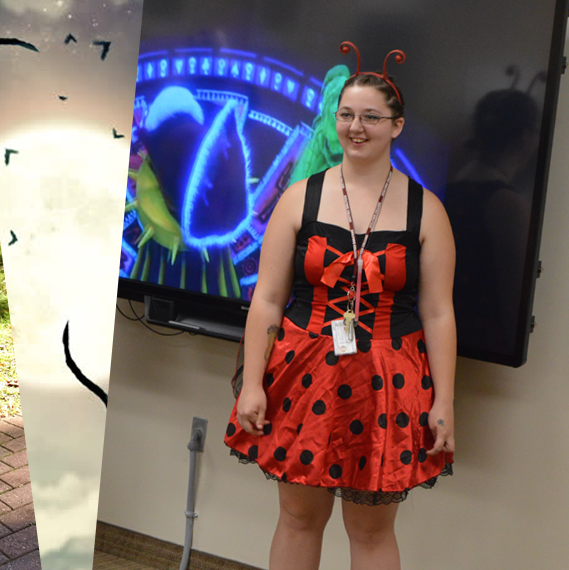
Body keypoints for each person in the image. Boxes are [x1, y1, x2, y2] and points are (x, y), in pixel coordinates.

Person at [224, 43, 456, 570]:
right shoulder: (299, 196)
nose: (356, 127)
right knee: (298, 519)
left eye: (371, 117)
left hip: (390, 385)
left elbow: (439, 313)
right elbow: (268, 298)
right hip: (302, 374)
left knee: (371, 533)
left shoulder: (428, 211)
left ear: (396, 126)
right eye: (346, 114)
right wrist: (254, 381)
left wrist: (444, 400)